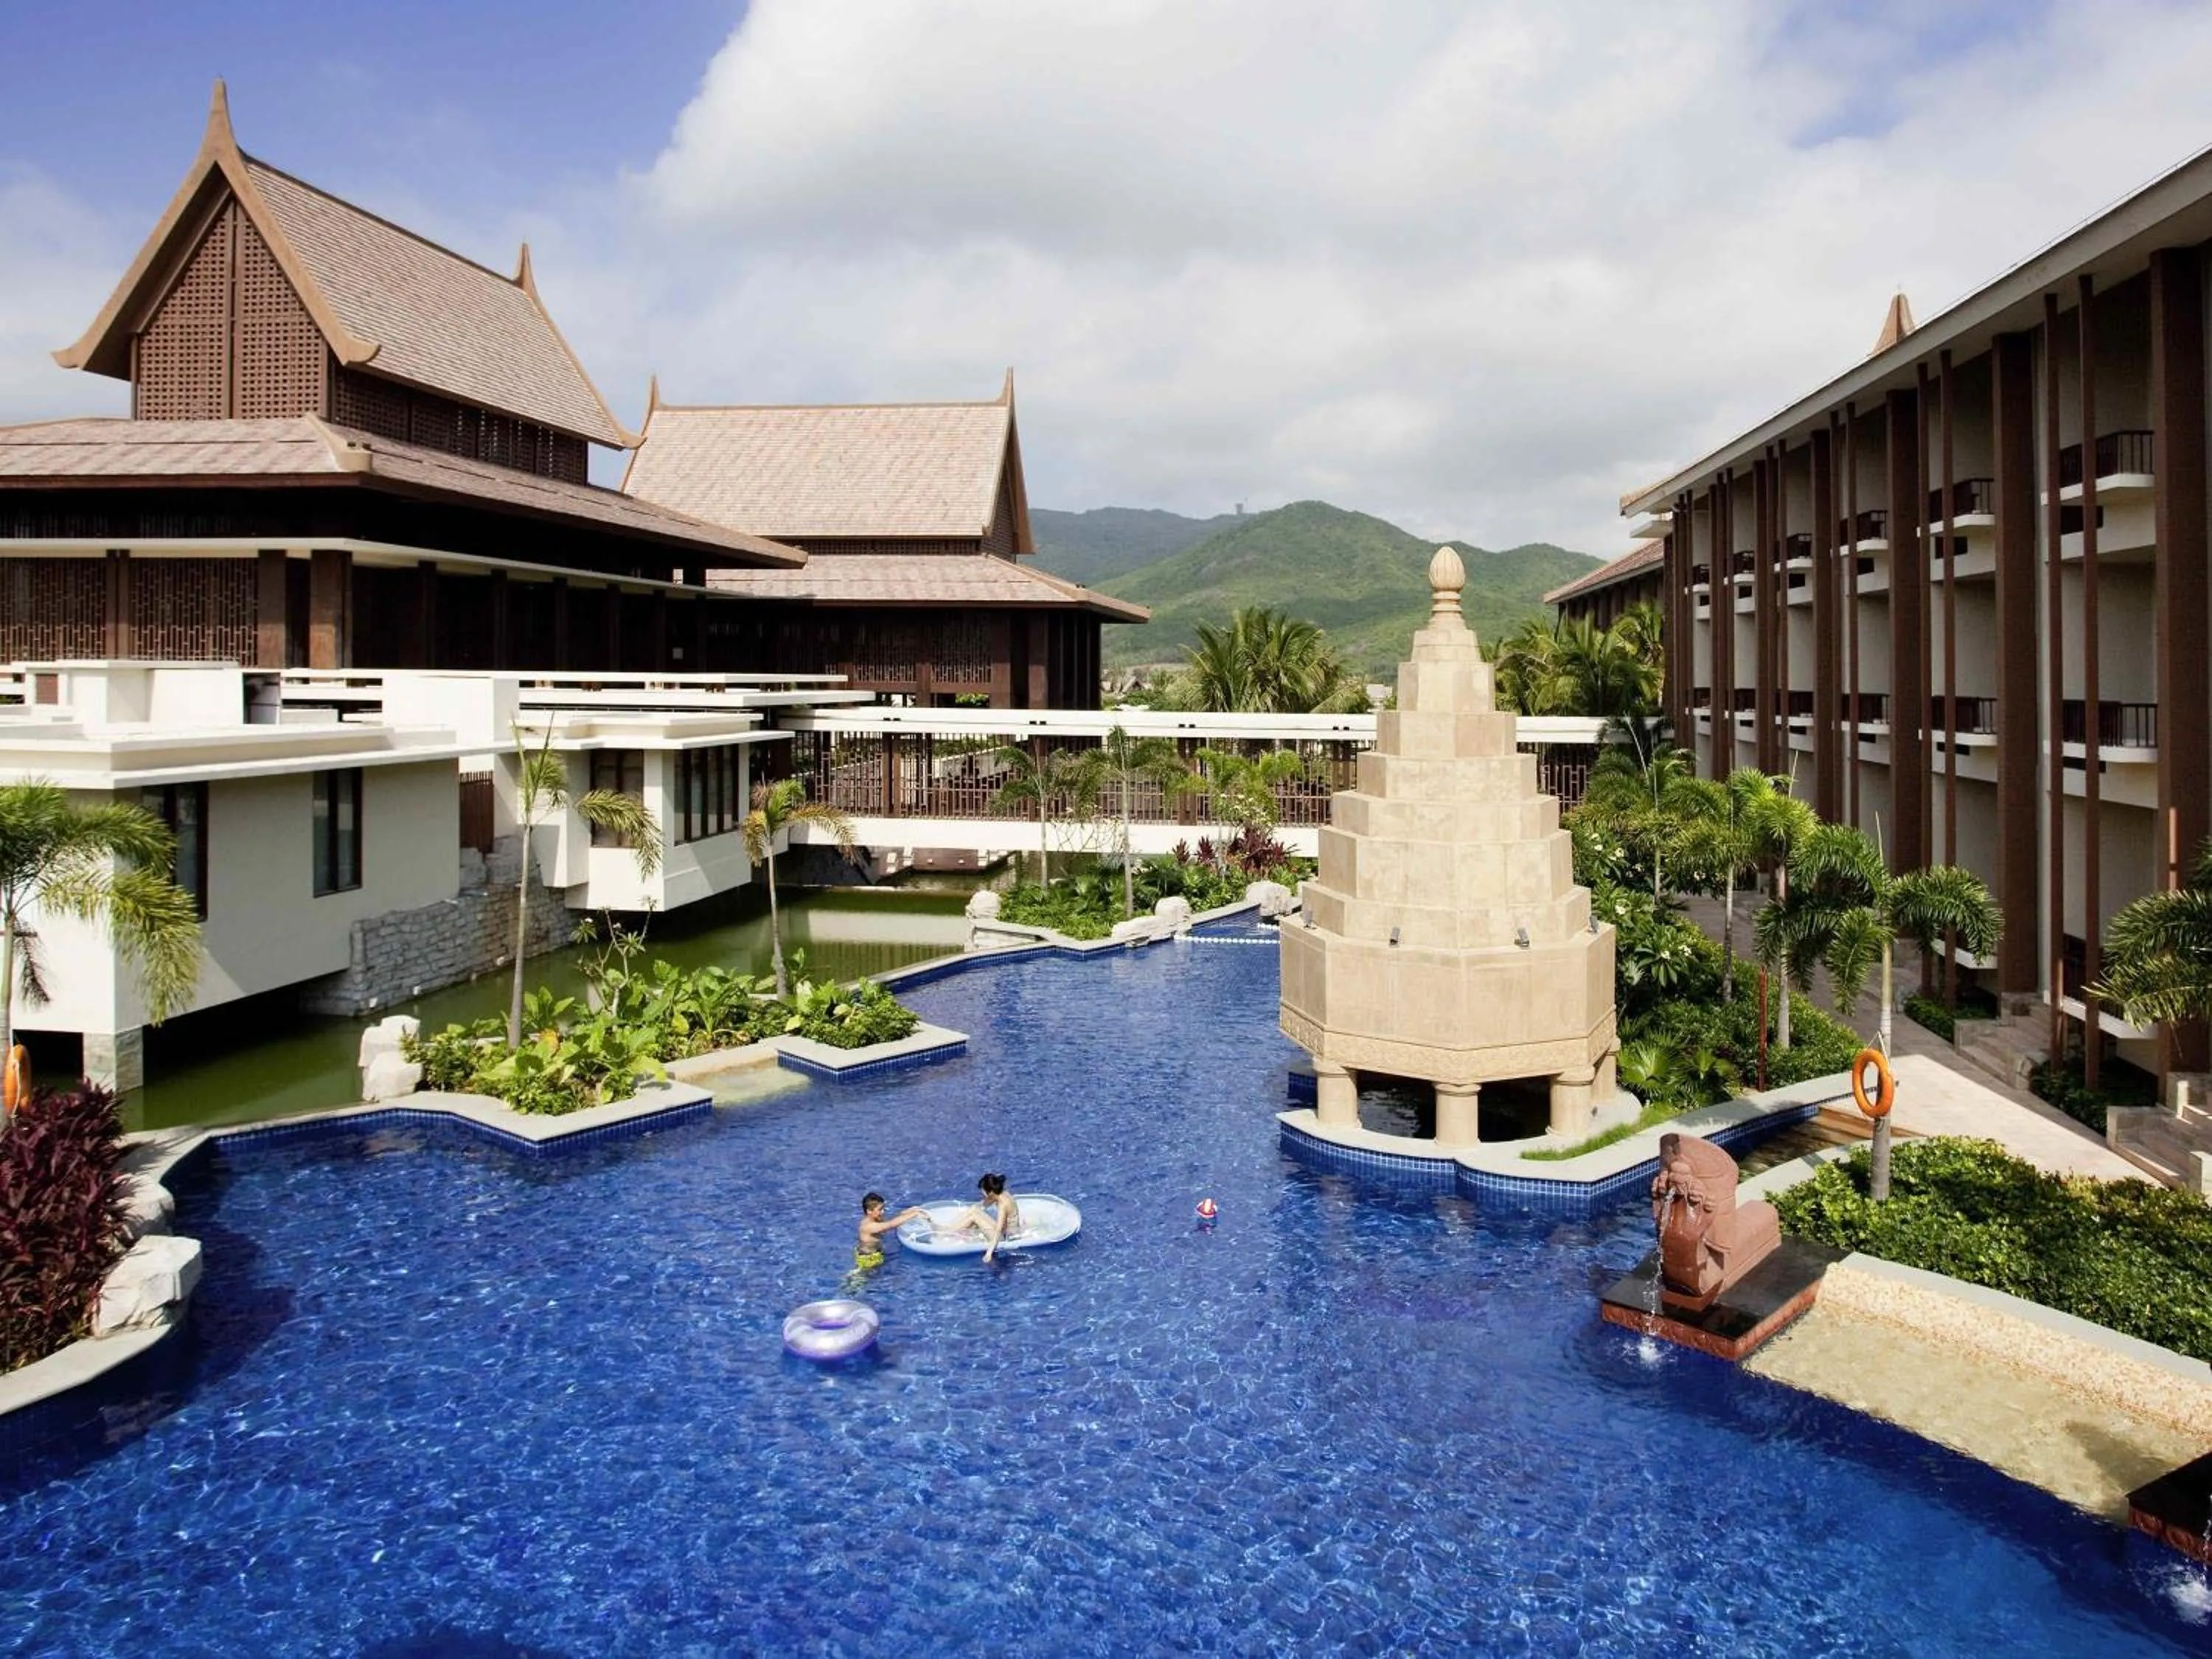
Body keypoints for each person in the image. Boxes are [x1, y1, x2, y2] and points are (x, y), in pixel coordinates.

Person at [934, 1172, 1020, 1262]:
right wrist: (972, 1210)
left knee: (974, 1217)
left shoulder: (1002, 1205)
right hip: (1005, 1232)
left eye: (984, 1193)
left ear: (990, 1192)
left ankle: (944, 1233)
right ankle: (947, 1229)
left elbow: (998, 1230)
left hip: (1005, 1237)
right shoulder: (1002, 1193)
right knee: (973, 1210)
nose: (983, 1195)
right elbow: (985, 1203)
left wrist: (989, 1253)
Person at [854, 1191, 926, 1271]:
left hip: (875, 1253)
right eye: (880, 1210)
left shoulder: (876, 1219)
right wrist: (914, 1214)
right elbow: (891, 1224)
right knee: (860, 1278)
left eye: (883, 1209)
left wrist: (907, 1212)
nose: (883, 1212)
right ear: (869, 1211)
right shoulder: (868, 1226)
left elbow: (893, 1220)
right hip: (868, 1259)